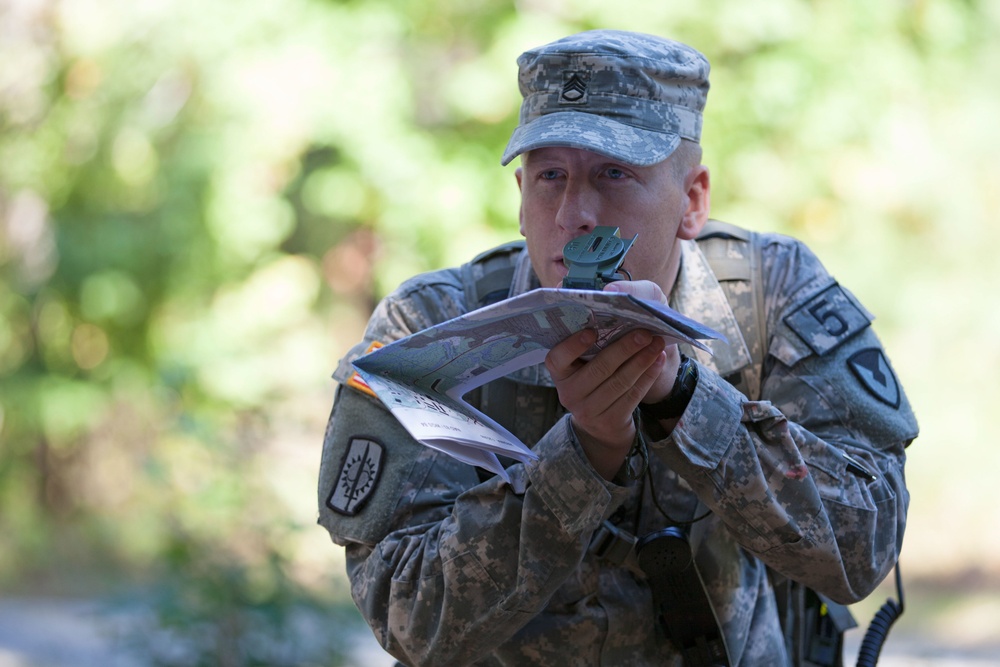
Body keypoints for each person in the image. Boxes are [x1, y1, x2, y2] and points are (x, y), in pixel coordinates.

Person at [317, 29, 917, 667]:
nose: (575, 213)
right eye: (550, 175)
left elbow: (866, 549)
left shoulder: (770, 296)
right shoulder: (429, 325)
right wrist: (582, 458)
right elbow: (407, 617)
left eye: (614, 173)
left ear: (692, 201)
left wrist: (683, 399)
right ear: (521, 201)